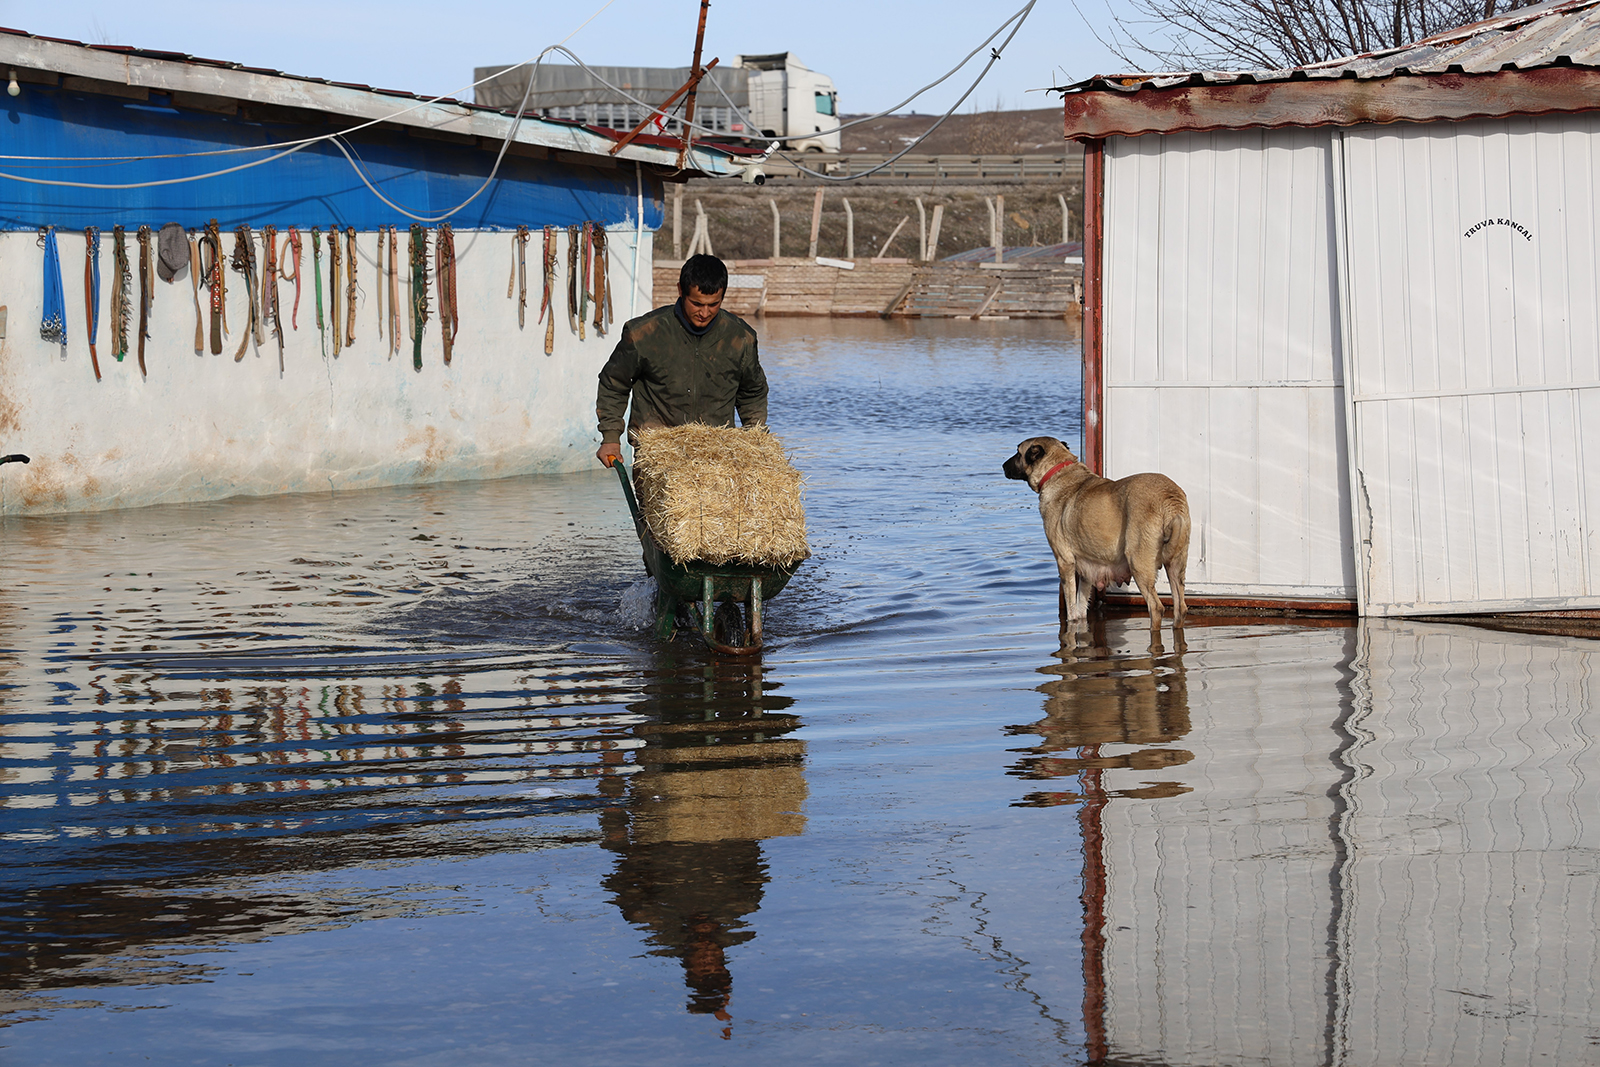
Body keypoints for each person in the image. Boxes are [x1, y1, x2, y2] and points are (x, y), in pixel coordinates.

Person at [595, 254, 768, 466]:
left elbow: (753, 393)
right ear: (680, 291)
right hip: (657, 454)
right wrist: (611, 438)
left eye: (713, 304)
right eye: (696, 303)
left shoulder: (741, 338)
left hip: (717, 456)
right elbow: (613, 384)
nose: (704, 313)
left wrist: (755, 440)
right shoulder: (643, 334)